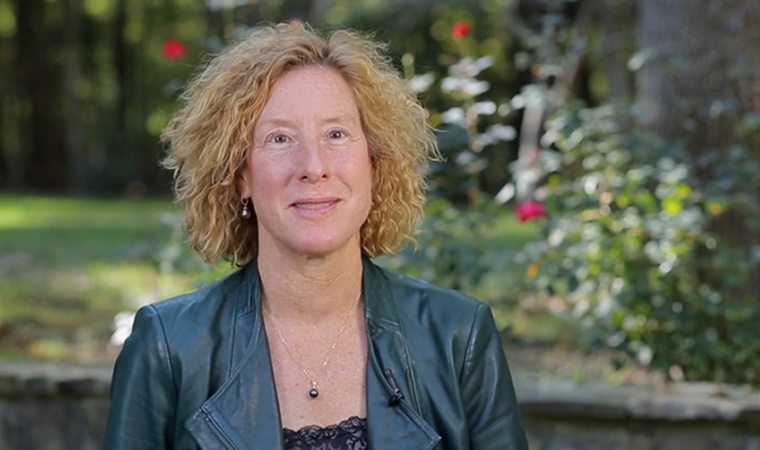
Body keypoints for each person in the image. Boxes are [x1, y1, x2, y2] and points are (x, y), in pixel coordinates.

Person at [105, 22, 528, 450]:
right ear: (240, 176)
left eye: (336, 134)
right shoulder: (168, 347)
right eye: (280, 138)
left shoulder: (459, 335)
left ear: (374, 165)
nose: (314, 165)